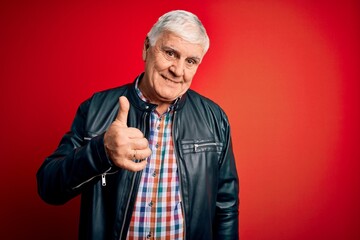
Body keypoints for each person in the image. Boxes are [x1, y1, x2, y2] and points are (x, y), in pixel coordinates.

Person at [37, 10, 239, 240]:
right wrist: (101, 152)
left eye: (190, 61)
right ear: (146, 47)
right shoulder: (96, 108)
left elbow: (226, 206)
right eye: (170, 53)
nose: (178, 70)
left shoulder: (215, 118)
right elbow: (48, 187)